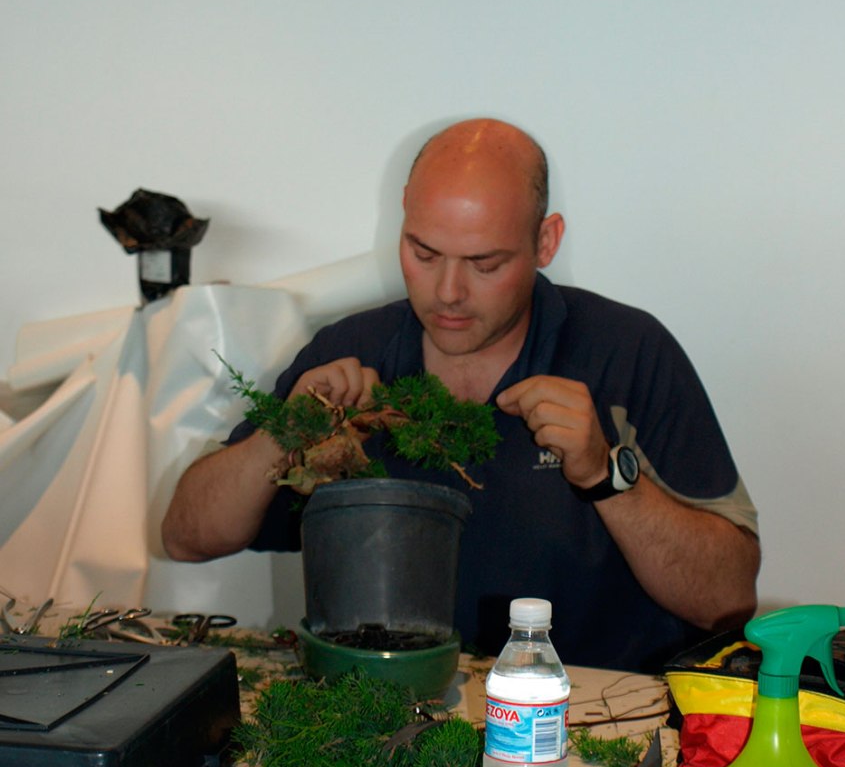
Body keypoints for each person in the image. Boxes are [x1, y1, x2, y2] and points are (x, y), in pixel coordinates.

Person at [162, 118, 760, 672]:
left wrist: (606, 476)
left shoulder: (626, 352)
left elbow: (726, 601)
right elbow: (185, 537)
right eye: (423, 253)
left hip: (592, 715)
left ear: (545, 242)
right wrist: (284, 433)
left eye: (484, 263)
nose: (448, 292)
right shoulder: (349, 352)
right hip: (385, 704)